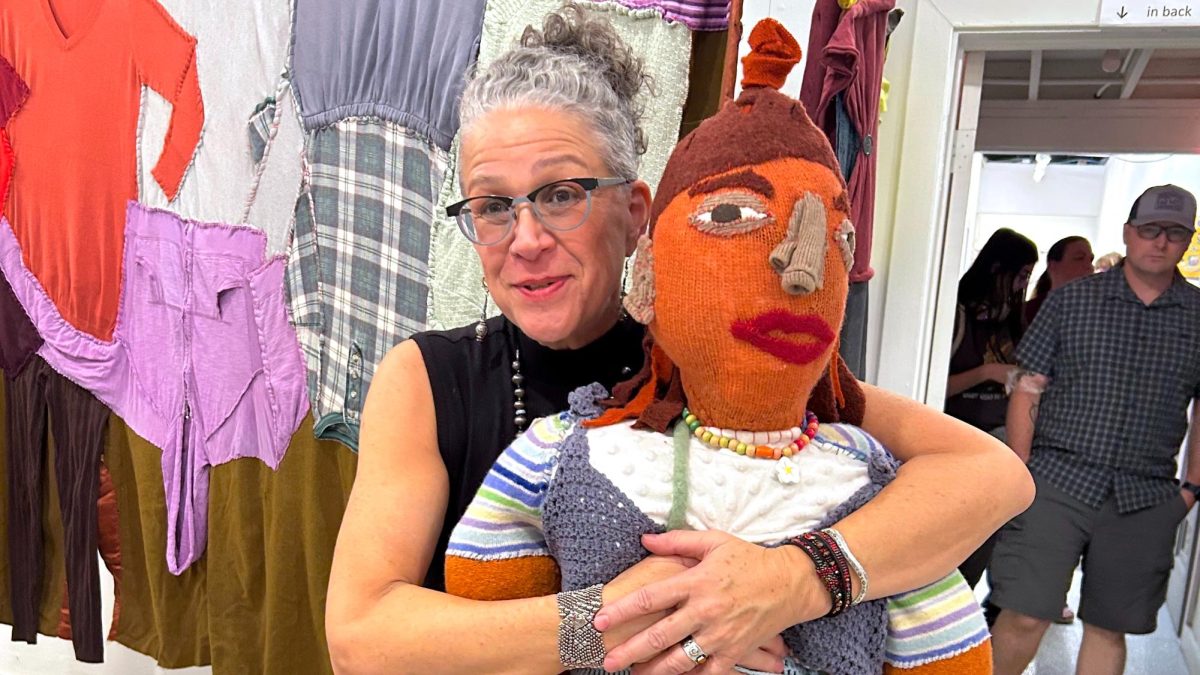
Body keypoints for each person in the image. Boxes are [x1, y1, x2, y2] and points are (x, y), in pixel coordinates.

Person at [325, 6, 1034, 674]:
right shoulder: (428, 374)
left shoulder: (724, 355)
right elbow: (360, 635)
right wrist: (615, 617)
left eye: (561, 194)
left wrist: (796, 578)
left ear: (638, 216)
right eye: (492, 206)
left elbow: (995, 477)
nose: (528, 240)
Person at [990, 184, 1200, 675]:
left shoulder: (1198, 316)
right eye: (1149, 229)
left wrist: (1190, 490)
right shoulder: (1071, 302)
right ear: (1129, 233)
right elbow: (1026, 387)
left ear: (1187, 240)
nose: (1160, 241)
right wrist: (1021, 472)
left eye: (1175, 232)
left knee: (1108, 629)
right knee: (1022, 615)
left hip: (1145, 496)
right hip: (1056, 481)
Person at [943, 228, 1036, 589]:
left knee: (981, 544)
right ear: (998, 269)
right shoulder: (956, 315)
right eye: (1021, 275)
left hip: (999, 448)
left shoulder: (1013, 322)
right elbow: (937, 388)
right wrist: (987, 372)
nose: (1022, 285)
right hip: (955, 442)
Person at [1024, 236, 1094, 324]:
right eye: (1079, 258)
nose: (1090, 267)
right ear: (1053, 266)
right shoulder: (1027, 313)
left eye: (1091, 260)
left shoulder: (1093, 314)